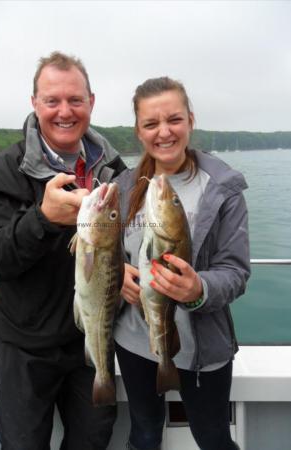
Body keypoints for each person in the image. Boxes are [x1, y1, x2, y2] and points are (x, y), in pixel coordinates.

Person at [0, 51, 126, 450]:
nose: (65, 111)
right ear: (34, 104)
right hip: (24, 347)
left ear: (91, 102)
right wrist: (41, 219)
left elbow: (135, 239)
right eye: (52, 100)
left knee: (93, 440)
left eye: (75, 100)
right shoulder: (4, 172)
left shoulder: (114, 171)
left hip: (90, 338)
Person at [114, 77, 250, 450]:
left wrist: (198, 289)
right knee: (143, 433)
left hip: (202, 349)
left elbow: (236, 272)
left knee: (212, 437)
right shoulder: (124, 187)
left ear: (190, 120)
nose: (164, 132)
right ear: (138, 132)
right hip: (133, 341)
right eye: (151, 124)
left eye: (174, 119)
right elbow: (104, 248)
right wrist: (117, 273)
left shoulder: (223, 188)